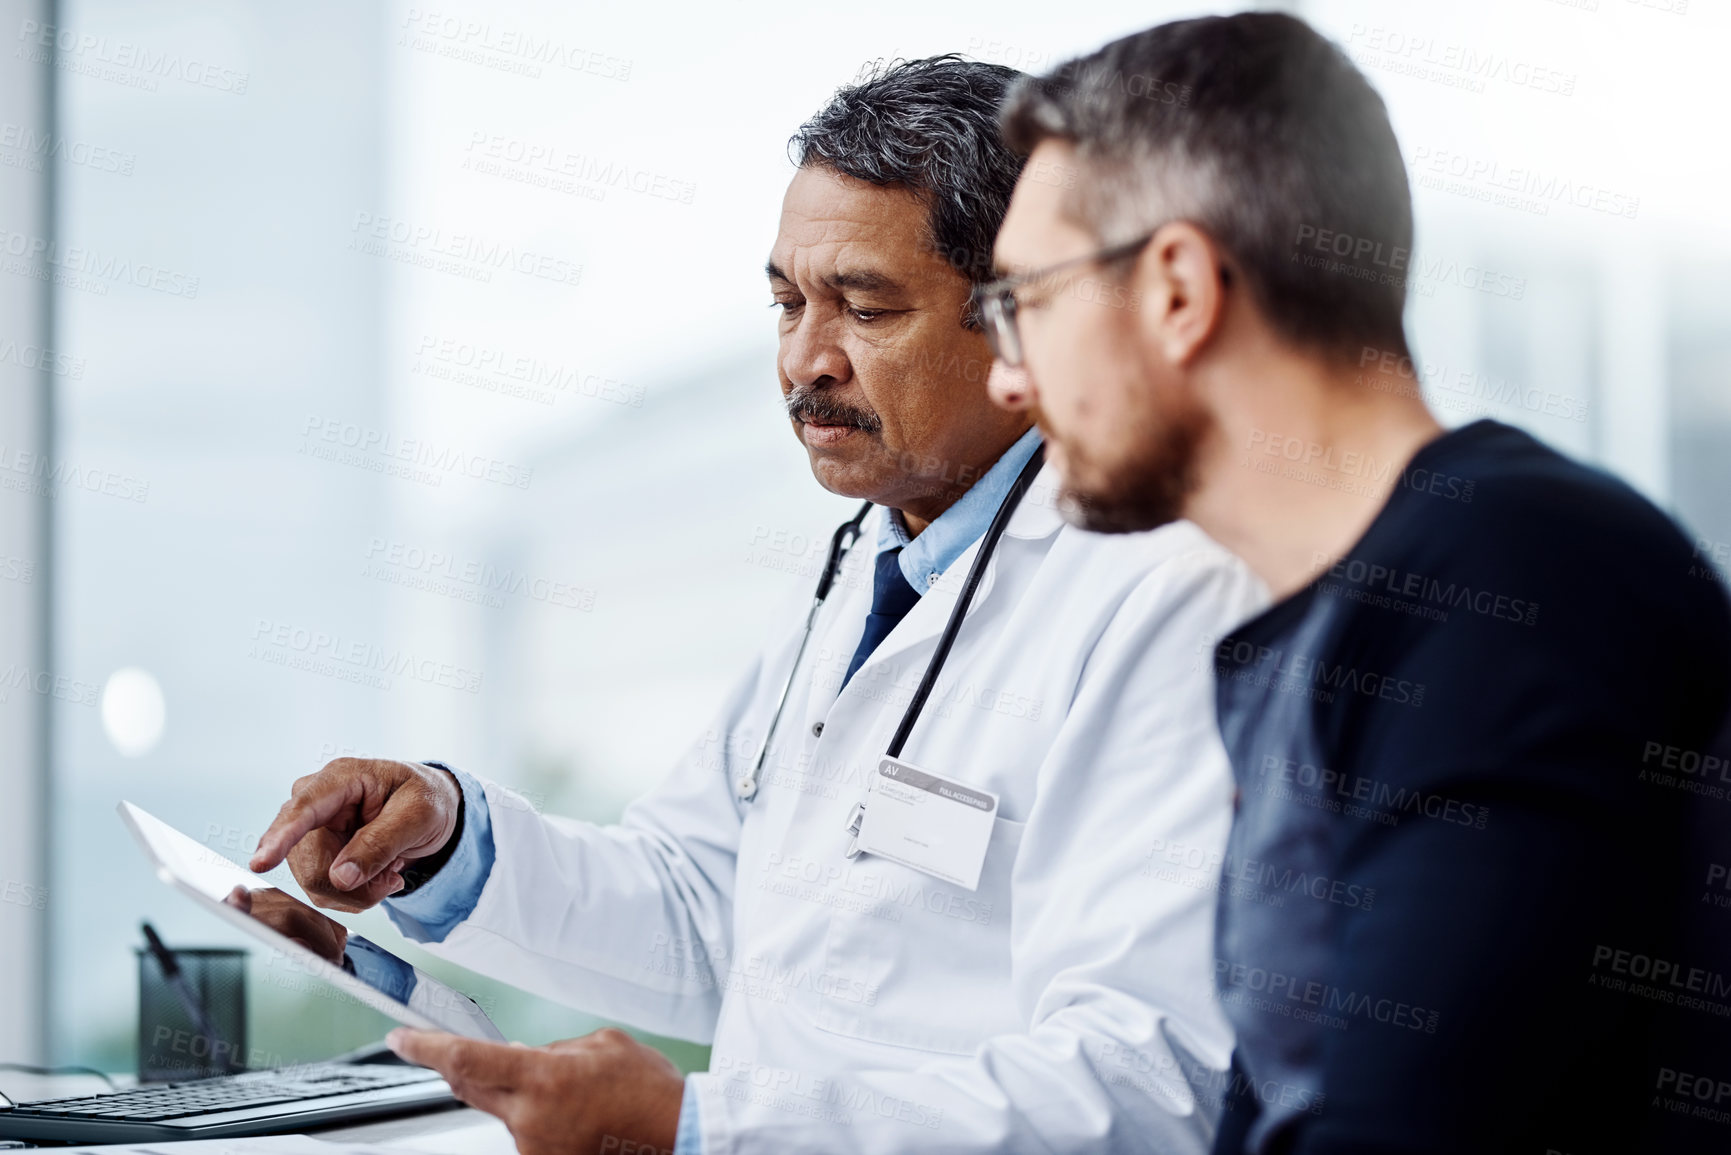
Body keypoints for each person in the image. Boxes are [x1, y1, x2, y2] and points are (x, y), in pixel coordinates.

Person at [250, 57, 1266, 1155]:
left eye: (864, 308)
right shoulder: (865, 565)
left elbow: (1149, 1083)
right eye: (788, 302)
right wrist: (447, 842)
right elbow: (711, 913)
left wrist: (706, 1128)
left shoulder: (1166, 595)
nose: (804, 359)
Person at [982, 13, 1731, 1154]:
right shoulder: (1313, 634)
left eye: (1023, 300)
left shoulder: (1518, 576)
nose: (1005, 376)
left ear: (1178, 288)